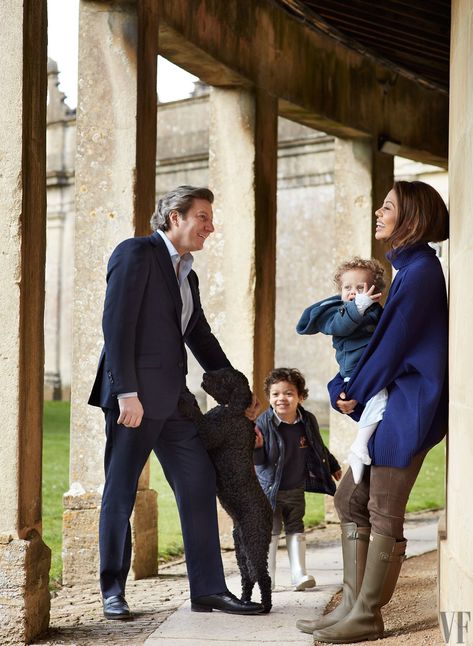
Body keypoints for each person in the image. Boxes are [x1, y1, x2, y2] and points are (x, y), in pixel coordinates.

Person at [88, 186, 263, 620]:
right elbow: (116, 324)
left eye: (210, 217)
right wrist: (126, 391)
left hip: (175, 401)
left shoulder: (189, 273)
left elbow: (200, 336)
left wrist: (239, 393)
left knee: (199, 481)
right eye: (202, 217)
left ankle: (207, 590)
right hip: (134, 401)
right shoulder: (136, 254)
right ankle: (113, 590)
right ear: (174, 218)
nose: (210, 226)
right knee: (121, 490)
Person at [296, 180, 449, 642]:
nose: (378, 214)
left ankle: (366, 613)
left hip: (412, 407)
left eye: (388, 207)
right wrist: (348, 387)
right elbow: (380, 344)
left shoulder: (420, 271)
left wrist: (355, 392)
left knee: (382, 508)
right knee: (348, 500)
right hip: (396, 402)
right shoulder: (409, 269)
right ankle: (350, 602)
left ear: (412, 218)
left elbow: (392, 346)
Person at [296, 257, 387, 483]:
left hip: (372, 369)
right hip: (355, 371)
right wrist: (357, 307)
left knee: (380, 404)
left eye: (360, 287)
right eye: (348, 288)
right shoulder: (340, 311)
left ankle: (361, 447)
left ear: (375, 290)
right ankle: (359, 447)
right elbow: (340, 327)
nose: (353, 292)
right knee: (380, 399)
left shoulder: (377, 311)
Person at [253, 368, 342, 591]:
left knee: (296, 526)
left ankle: (298, 574)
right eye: (275, 394)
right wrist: (256, 448)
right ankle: (267, 578)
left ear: (301, 397)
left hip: (295, 487)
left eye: (289, 393)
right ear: (269, 397)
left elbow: (318, 446)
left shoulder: (308, 420)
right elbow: (259, 461)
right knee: (270, 531)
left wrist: (332, 465)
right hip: (269, 489)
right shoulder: (263, 423)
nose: (281, 398)